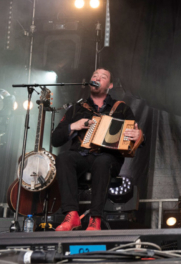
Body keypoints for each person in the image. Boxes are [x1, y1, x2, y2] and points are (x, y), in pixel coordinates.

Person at [51, 68, 143, 231]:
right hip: (81, 156)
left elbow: (137, 137)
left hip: (108, 158)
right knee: (64, 157)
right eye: (94, 75)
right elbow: (55, 139)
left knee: (103, 161)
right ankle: (71, 215)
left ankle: (96, 219)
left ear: (111, 85)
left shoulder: (121, 109)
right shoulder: (76, 109)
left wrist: (139, 135)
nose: (97, 78)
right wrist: (74, 125)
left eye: (103, 76)